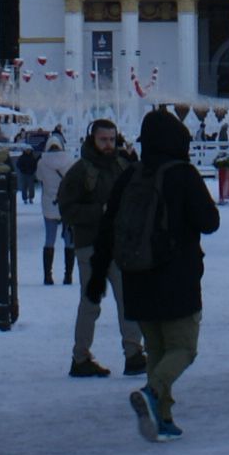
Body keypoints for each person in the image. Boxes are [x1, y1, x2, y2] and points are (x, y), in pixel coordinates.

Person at [103, 110, 221, 443]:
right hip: (176, 274)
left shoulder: (131, 175)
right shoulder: (182, 174)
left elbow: (110, 221)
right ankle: (153, 394)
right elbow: (209, 222)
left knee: (156, 348)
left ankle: (163, 417)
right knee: (183, 348)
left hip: (136, 275)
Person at [61, 118, 146, 378]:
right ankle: (80, 357)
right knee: (91, 303)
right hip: (92, 247)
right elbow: (66, 209)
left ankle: (133, 353)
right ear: (92, 140)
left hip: (120, 245)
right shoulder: (80, 171)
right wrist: (99, 212)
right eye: (103, 140)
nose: (108, 145)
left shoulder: (122, 165)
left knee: (129, 300)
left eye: (112, 140)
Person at [39, 135, 75, 285]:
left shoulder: (42, 162)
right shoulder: (69, 161)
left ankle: (48, 275)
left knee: (49, 240)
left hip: (49, 203)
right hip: (66, 204)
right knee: (69, 241)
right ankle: (68, 275)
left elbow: (39, 177)